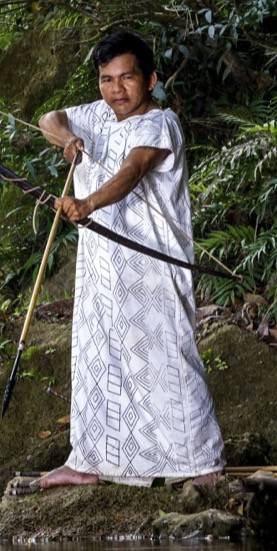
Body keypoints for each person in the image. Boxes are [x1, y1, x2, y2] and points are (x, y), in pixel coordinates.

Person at [27, 29, 223, 489]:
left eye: (127, 77)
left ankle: (202, 463)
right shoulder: (97, 114)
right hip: (102, 268)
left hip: (152, 266)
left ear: (150, 79)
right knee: (97, 355)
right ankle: (89, 460)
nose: (116, 89)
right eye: (106, 79)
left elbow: (132, 171)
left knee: (167, 356)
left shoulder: (161, 123)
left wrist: (87, 203)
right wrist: (67, 138)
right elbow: (48, 118)